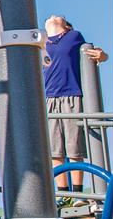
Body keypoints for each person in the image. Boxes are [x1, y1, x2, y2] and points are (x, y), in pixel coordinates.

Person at [42, 15, 108, 199]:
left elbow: (95, 53)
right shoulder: (42, 41)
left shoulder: (73, 37)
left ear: (66, 26)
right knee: (55, 150)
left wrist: (103, 56)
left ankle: (77, 193)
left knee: (73, 146)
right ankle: (63, 194)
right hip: (49, 98)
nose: (54, 15)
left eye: (59, 17)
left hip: (71, 95)